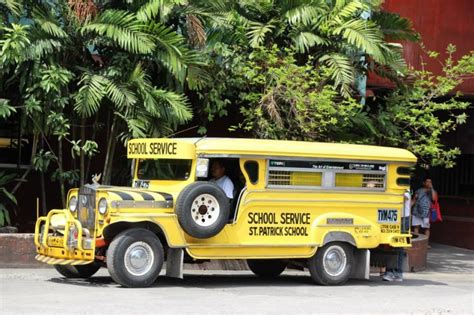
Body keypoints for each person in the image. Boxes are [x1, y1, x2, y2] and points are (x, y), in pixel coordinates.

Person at [411, 177, 438, 245]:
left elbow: (434, 199)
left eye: (430, 182)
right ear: (423, 183)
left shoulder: (433, 191)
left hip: (426, 213)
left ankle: (426, 243)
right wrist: (408, 208)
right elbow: (414, 200)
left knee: (427, 228)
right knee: (416, 227)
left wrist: (431, 188)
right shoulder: (418, 190)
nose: (429, 183)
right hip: (416, 211)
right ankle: (415, 242)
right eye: (427, 182)